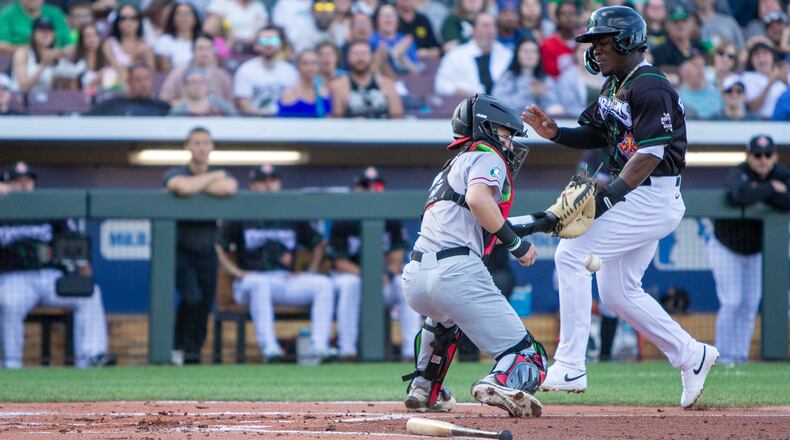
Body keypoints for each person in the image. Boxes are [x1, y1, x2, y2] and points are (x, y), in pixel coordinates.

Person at [521, 6, 718, 408]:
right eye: (593, 42)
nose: (595, 49)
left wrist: (609, 196)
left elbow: (650, 154)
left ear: (629, 40)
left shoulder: (650, 86)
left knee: (571, 254)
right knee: (617, 291)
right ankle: (691, 354)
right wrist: (556, 133)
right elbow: (595, 132)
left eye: (603, 41)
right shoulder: (614, 84)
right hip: (639, 192)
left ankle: (572, 363)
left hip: (651, 192)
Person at [401, 94, 546, 417]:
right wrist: (517, 246)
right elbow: (480, 201)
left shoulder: (453, 165)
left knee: (442, 321)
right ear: (487, 129)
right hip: (457, 272)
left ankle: (424, 388)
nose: (509, 143)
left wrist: (542, 222)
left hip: (415, 277)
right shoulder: (487, 155)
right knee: (529, 358)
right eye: (506, 134)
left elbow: (481, 214)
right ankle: (499, 381)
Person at [215, 165, 336, 363]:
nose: (268, 186)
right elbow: (219, 246)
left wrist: (312, 270)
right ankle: (270, 349)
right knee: (259, 284)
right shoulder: (240, 212)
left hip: (283, 280)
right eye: (262, 181)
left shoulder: (291, 212)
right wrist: (236, 272)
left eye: (272, 181)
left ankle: (319, 346)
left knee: (323, 284)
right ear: (253, 186)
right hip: (250, 282)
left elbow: (318, 243)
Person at [0, 161, 114, 370]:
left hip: (49, 276)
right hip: (12, 277)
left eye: (27, 181)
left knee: (89, 294)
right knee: (9, 302)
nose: (23, 186)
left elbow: (73, 240)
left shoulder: (48, 206)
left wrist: (83, 268)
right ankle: (12, 363)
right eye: (17, 182)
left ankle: (92, 356)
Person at [707, 135, 790, 367]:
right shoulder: (739, 172)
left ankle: (740, 357)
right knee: (732, 301)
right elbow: (740, 194)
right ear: (749, 155)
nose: (762, 160)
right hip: (727, 247)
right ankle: (722, 358)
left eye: (767, 155)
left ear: (774, 155)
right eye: (757, 155)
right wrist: (772, 189)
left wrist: (760, 190)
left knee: (750, 304)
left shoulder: (782, 173)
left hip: (754, 251)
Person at [163, 127, 238, 365]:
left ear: (212, 146)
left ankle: (193, 353)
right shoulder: (177, 172)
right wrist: (210, 179)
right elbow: (181, 186)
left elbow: (229, 187)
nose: (201, 148)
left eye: (206, 143)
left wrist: (200, 184)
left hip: (207, 251)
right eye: (196, 143)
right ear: (187, 146)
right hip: (180, 250)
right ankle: (176, 347)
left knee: (204, 303)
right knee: (191, 297)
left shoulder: (220, 177)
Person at [331, 167, 418, 361]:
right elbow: (339, 262)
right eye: (365, 186)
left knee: (404, 284)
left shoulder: (391, 220)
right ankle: (347, 350)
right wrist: (369, 275)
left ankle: (410, 351)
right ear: (356, 189)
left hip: (383, 281)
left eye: (376, 186)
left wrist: (386, 273)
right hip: (355, 279)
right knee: (349, 284)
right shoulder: (343, 220)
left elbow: (397, 257)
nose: (371, 190)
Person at [434, 13, 511, 96]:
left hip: (500, 105)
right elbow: (440, 85)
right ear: (474, 30)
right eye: (485, 26)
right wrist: (459, 90)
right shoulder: (456, 55)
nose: (491, 30)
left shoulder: (507, 54)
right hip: (467, 104)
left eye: (494, 26)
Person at [233, 26, 298, 116]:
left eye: (273, 40)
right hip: (255, 122)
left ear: (281, 44)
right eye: (264, 41)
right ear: (256, 45)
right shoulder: (245, 70)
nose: (269, 45)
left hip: (285, 120)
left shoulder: (290, 71)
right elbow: (244, 104)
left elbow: (294, 100)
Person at [330, 39, 403, 118]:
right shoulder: (338, 86)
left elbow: (398, 118)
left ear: (371, 57)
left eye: (364, 54)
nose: (360, 58)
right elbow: (336, 121)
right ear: (348, 57)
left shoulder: (388, 84)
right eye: (355, 54)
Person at [492, 38, 561, 115]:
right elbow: (498, 103)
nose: (530, 55)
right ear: (517, 54)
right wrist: (528, 92)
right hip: (513, 122)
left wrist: (543, 94)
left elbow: (555, 105)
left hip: (540, 124)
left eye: (534, 52)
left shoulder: (545, 79)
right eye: (525, 51)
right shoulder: (509, 77)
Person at [159, 33, 233, 104]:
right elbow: (164, 101)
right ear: (193, 51)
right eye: (200, 48)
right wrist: (189, 105)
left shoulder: (222, 76)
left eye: (208, 48)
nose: (204, 53)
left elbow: (230, 105)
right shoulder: (178, 74)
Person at [85, 64, 170, 116]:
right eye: (138, 80)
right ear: (129, 82)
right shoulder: (114, 104)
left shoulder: (162, 107)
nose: (143, 84)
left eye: (146, 79)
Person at [101, 3, 155, 85]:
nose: (128, 22)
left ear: (138, 22)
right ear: (117, 22)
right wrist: (135, 58)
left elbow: (151, 74)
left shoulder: (145, 45)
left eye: (133, 18)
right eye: (123, 18)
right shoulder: (109, 44)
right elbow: (117, 69)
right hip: (114, 87)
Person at [0, 0, 73, 54]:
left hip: (56, 62)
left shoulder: (56, 13)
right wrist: (34, 51)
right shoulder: (6, 15)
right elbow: (2, 45)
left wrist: (57, 53)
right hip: (17, 63)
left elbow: (70, 45)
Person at [650, 6, 707, 75]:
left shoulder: (700, 48)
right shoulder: (659, 52)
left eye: (684, 21)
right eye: (675, 21)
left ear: (691, 25)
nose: (680, 25)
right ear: (668, 26)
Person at [278, 49, 332, 118]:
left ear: (319, 66)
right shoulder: (289, 94)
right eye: (305, 63)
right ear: (298, 66)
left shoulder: (324, 92)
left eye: (313, 63)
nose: (309, 68)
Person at [371, 3, 422, 76]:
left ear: (397, 20)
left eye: (392, 15)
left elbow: (417, 71)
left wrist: (402, 58)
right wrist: (393, 53)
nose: (388, 18)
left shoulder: (406, 41)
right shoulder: (371, 39)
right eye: (385, 15)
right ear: (377, 20)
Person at [742, 41, 789, 119]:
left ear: (773, 57)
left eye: (765, 54)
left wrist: (786, 82)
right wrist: (770, 82)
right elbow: (752, 108)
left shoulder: (786, 74)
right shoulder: (747, 77)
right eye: (756, 55)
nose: (762, 59)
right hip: (761, 122)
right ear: (751, 60)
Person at [11, 17, 59, 94]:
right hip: (19, 100)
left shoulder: (56, 54)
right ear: (33, 34)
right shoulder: (23, 53)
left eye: (49, 31)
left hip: (46, 101)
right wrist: (43, 65)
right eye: (41, 31)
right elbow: (24, 87)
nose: (46, 34)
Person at [168, 67, 237, 116]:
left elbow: (236, 120)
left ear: (206, 85)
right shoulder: (178, 110)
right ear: (185, 86)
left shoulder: (220, 105)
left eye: (200, 82)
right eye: (193, 82)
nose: (197, 86)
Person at [154, 2, 201, 72]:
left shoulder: (202, 40)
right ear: (173, 18)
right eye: (179, 14)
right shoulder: (165, 40)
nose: (184, 17)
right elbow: (166, 70)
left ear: (195, 18)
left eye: (187, 14)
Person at [539, 1, 578, 79]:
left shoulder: (585, 42)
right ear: (557, 18)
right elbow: (550, 75)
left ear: (577, 17)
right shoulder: (547, 45)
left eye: (572, 13)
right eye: (564, 14)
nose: (568, 17)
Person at [678, 55, 723, 119]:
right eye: (696, 66)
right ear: (684, 71)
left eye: (703, 66)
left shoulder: (716, 95)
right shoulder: (677, 97)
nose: (701, 70)